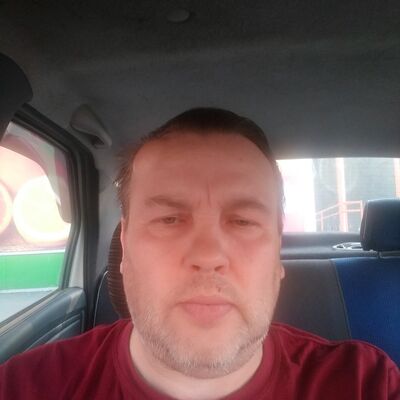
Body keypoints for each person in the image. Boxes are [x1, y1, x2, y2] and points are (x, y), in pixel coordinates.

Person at [0, 108, 399, 399]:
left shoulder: (364, 385)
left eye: (243, 221)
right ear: (125, 247)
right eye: (169, 219)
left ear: (277, 254)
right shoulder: (26, 387)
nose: (208, 256)